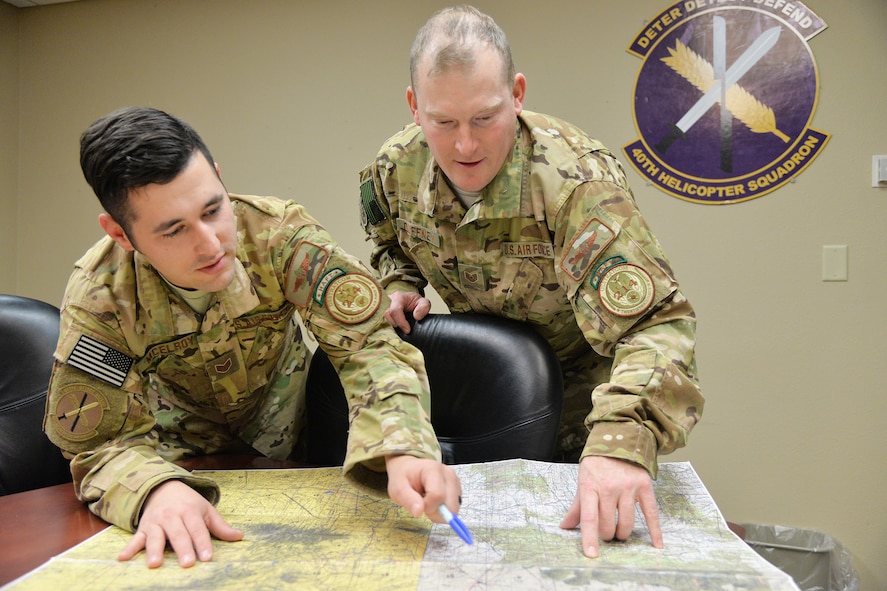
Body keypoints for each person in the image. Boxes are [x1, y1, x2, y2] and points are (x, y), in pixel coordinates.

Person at [44, 106, 461, 569]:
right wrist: (154, 490)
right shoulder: (101, 296)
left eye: (213, 208)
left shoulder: (279, 237)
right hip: (178, 480)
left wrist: (401, 444)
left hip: (295, 463)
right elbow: (97, 444)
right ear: (121, 234)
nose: (209, 243)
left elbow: (368, 346)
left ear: (220, 180)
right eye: (174, 230)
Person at [359, 5, 704, 558]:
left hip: (588, 411)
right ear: (413, 106)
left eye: (485, 117)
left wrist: (620, 443)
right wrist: (400, 282)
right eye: (443, 122)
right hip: (483, 407)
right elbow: (389, 241)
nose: (466, 146)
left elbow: (658, 326)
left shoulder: (574, 185)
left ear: (516, 94)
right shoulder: (393, 168)